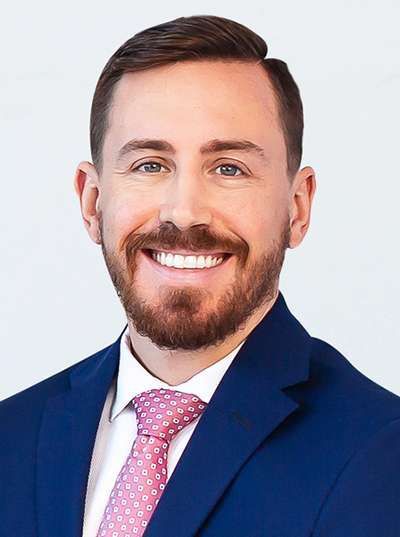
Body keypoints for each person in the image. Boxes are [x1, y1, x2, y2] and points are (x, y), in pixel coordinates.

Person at [1, 13, 400, 537]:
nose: (184, 212)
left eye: (229, 168)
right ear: (93, 201)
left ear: (297, 208)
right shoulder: (11, 436)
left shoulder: (380, 454)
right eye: (149, 165)